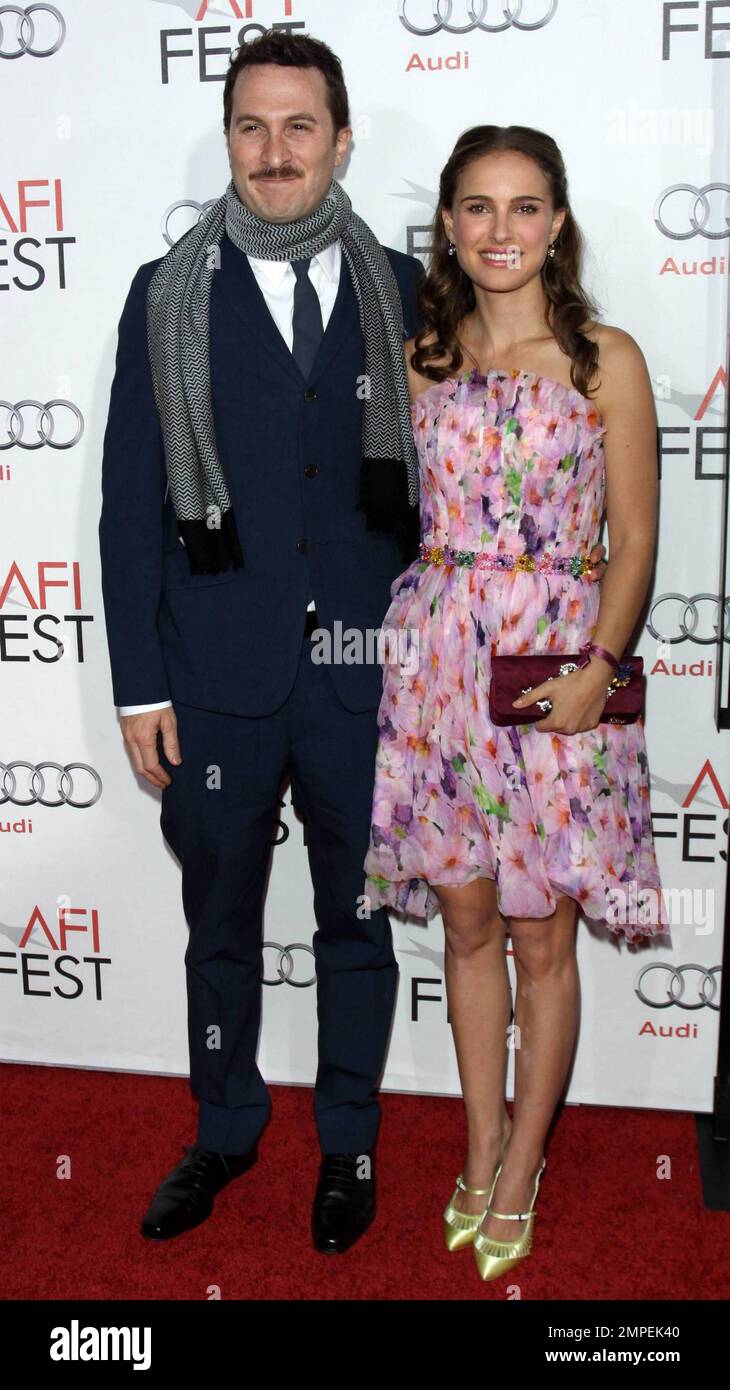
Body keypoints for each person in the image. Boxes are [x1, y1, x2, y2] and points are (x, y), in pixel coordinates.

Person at [98, 30, 427, 1255]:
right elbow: (131, 505)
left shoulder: (405, 287)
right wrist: (139, 685)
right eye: (252, 125)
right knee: (220, 929)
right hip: (216, 677)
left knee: (357, 926)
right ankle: (224, 1129)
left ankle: (348, 1138)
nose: (275, 149)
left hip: (365, 677)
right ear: (227, 139)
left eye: (300, 125)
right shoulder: (163, 293)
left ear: (342, 140)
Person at [363, 124, 670, 1281]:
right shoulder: (420, 359)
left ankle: (526, 1157)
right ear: (448, 223)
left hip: (553, 674)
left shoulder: (605, 359)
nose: (502, 230)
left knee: (544, 934)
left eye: (525, 206)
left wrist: (598, 663)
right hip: (441, 667)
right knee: (469, 922)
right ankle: (481, 1137)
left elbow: (634, 540)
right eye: (479, 207)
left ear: (557, 222)